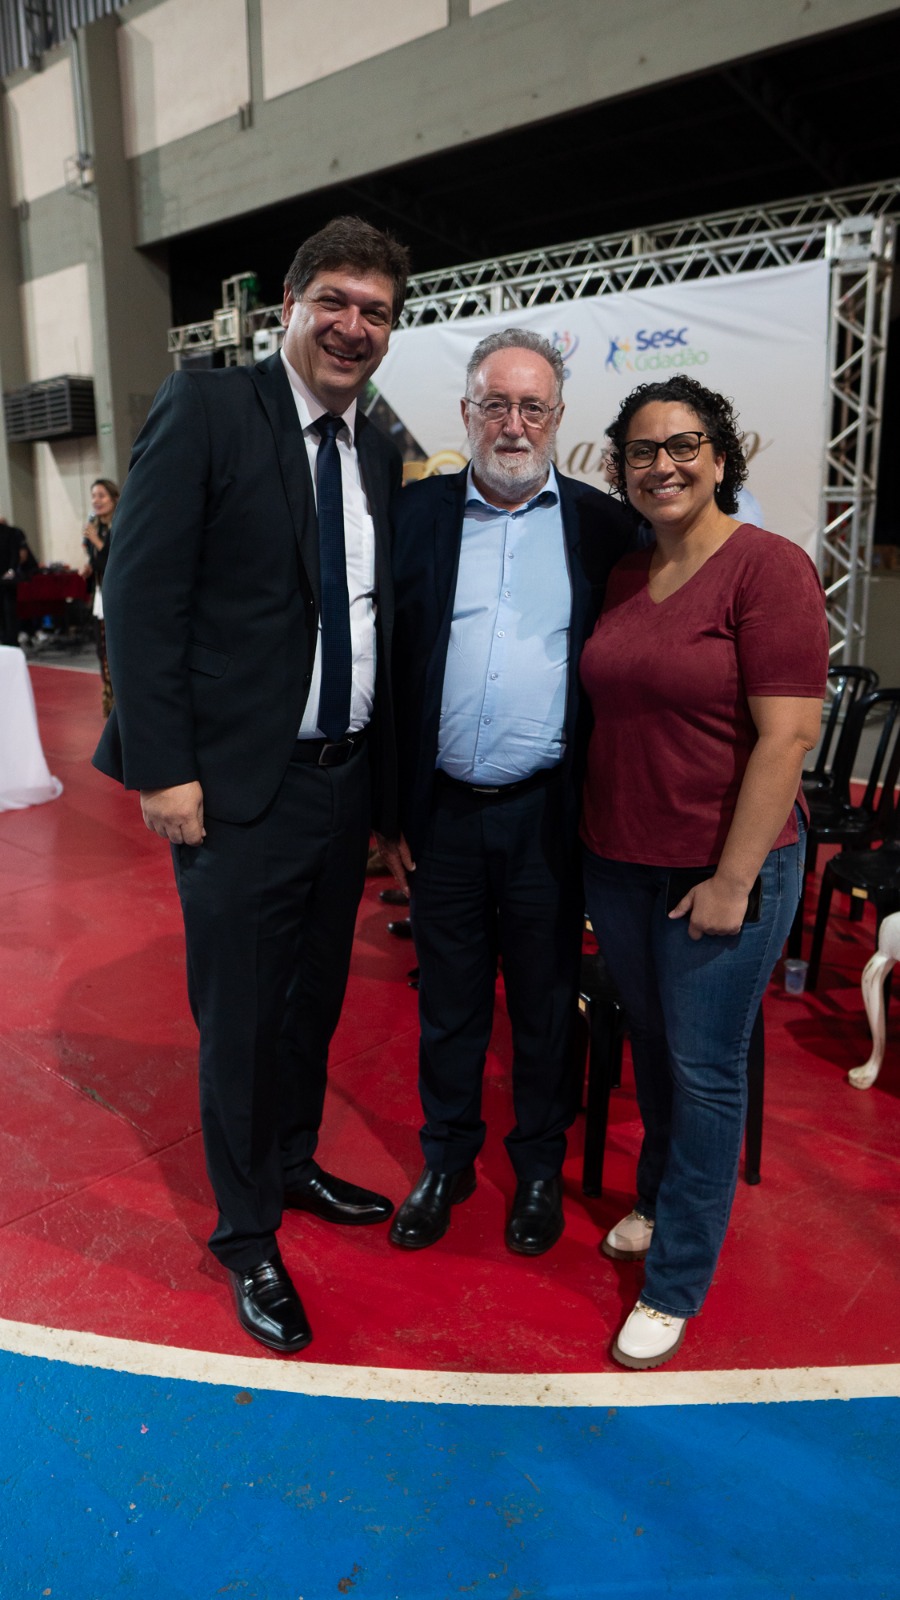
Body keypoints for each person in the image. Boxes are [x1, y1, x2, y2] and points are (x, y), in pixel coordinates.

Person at [94, 216, 411, 1355]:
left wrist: (383, 799)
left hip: (341, 782)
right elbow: (140, 599)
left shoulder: (377, 445)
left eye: (375, 311)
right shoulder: (210, 407)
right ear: (289, 304)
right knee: (239, 1020)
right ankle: (246, 1234)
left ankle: (290, 1163)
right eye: (335, 301)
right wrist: (164, 767)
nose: (352, 326)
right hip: (234, 787)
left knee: (311, 1004)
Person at [580, 374, 828, 1369]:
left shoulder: (768, 569)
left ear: (721, 458)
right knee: (653, 1048)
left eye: (684, 445)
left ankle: (676, 1279)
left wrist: (730, 883)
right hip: (620, 862)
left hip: (726, 869)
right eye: (643, 450)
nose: (664, 465)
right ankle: (657, 1198)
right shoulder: (625, 575)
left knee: (704, 1068)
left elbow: (789, 736)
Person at [379, 328, 635, 1256]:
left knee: (543, 1003)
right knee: (448, 1001)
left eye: (533, 407)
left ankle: (535, 1168)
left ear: (558, 419)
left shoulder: (604, 528)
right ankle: (446, 1159)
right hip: (440, 814)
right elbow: (387, 670)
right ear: (467, 413)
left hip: (546, 817)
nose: (514, 424)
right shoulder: (417, 514)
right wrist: (387, 813)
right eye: (496, 404)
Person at [81, 479, 120, 716]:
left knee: (116, 650)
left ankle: (122, 700)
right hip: (100, 596)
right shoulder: (95, 527)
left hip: (119, 597)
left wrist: (96, 540)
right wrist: (89, 567)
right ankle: (109, 699)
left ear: (114, 498)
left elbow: (115, 559)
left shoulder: (121, 524)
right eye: (93, 496)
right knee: (102, 649)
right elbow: (98, 562)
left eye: (102, 495)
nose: (96, 500)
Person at [0, 517, 29, 647]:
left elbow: (19, 555)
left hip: (8, 580)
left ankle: (11, 640)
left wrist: (11, 570)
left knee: (9, 611)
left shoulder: (12, 533)